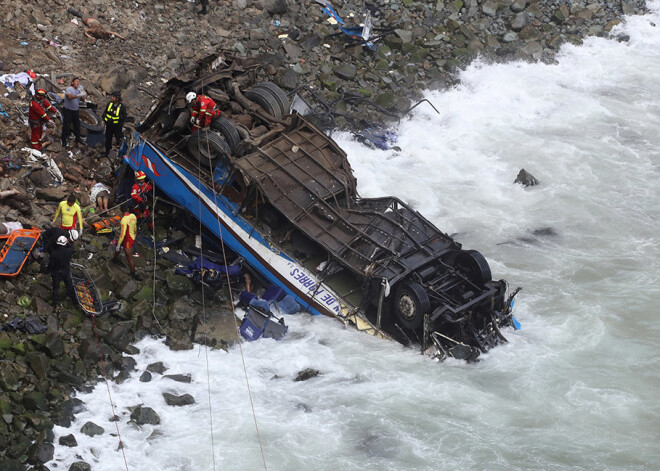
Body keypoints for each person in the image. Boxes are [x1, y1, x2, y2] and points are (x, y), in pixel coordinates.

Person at [113, 203, 140, 280]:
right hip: (132, 236)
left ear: (121, 211)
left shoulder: (123, 220)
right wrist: (135, 233)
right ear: (128, 209)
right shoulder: (133, 216)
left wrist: (119, 244)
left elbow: (122, 234)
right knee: (118, 246)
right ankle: (115, 259)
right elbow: (135, 226)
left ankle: (133, 273)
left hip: (127, 239)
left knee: (129, 257)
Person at [50, 235, 78, 308]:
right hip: (66, 271)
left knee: (56, 288)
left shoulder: (54, 252)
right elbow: (72, 249)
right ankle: (75, 302)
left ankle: (54, 304)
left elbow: (51, 264)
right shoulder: (69, 251)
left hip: (56, 271)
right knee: (69, 286)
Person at [61, 77, 87, 147]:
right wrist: (78, 95)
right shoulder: (69, 89)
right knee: (66, 126)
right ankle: (64, 140)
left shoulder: (78, 90)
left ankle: (78, 138)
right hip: (68, 110)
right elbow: (70, 97)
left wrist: (82, 93)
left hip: (75, 110)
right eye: (76, 81)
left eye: (79, 82)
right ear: (72, 82)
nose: (78, 83)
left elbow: (83, 100)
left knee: (77, 125)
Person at [102, 91, 127, 157]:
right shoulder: (110, 104)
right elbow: (105, 112)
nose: (112, 98)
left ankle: (122, 153)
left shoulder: (121, 106)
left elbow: (124, 117)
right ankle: (107, 151)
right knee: (108, 138)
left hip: (117, 127)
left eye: (113, 97)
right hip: (109, 125)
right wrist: (104, 118)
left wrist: (120, 124)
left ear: (117, 98)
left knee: (119, 139)